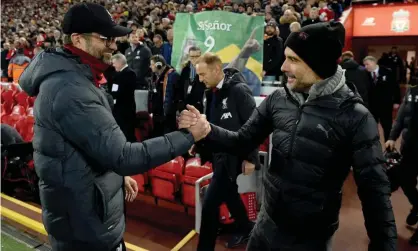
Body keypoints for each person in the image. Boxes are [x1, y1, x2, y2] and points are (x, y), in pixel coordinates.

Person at [179, 21, 397, 251]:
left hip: (309, 239)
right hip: (265, 227)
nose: (283, 67)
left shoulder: (356, 117)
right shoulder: (278, 99)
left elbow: (376, 199)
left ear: (319, 64)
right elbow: (242, 140)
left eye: (293, 60)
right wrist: (208, 132)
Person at [18, 3, 209, 251]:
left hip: (85, 219)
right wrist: (189, 136)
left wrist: (117, 177)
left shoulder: (75, 79)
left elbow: (91, 151)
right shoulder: (70, 89)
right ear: (77, 39)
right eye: (105, 38)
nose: (112, 45)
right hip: (86, 232)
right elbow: (124, 156)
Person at [193, 53, 259, 250]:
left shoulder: (239, 91)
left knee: (210, 204)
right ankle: (247, 227)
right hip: (218, 154)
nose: (200, 79)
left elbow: (253, 125)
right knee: (230, 194)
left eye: (203, 74)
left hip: (233, 156)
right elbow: (211, 126)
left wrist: (250, 157)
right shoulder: (209, 93)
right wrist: (198, 143)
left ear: (216, 70)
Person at [363, 55, 401, 141]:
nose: (365, 67)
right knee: (371, 128)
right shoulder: (365, 74)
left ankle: (388, 147)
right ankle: (374, 147)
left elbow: (395, 87)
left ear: (373, 62)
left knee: (387, 127)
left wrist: (397, 101)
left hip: (385, 105)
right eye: (364, 65)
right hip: (372, 106)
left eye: (367, 64)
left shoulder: (387, 72)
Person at [110, 53, 137, 142]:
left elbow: (124, 91)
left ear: (119, 62)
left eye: (114, 63)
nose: (113, 65)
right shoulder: (119, 74)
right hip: (119, 108)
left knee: (127, 132)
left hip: (126, 109)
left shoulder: (130, 73)